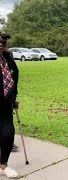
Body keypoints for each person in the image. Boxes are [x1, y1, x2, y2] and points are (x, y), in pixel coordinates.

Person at [0, 33, 19, 178]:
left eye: (3, 41)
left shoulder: (7, 57)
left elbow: (14, 75)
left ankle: (3, 166)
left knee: (8, 132)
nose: (1, 43)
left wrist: (14, 97)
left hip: (6, 102)